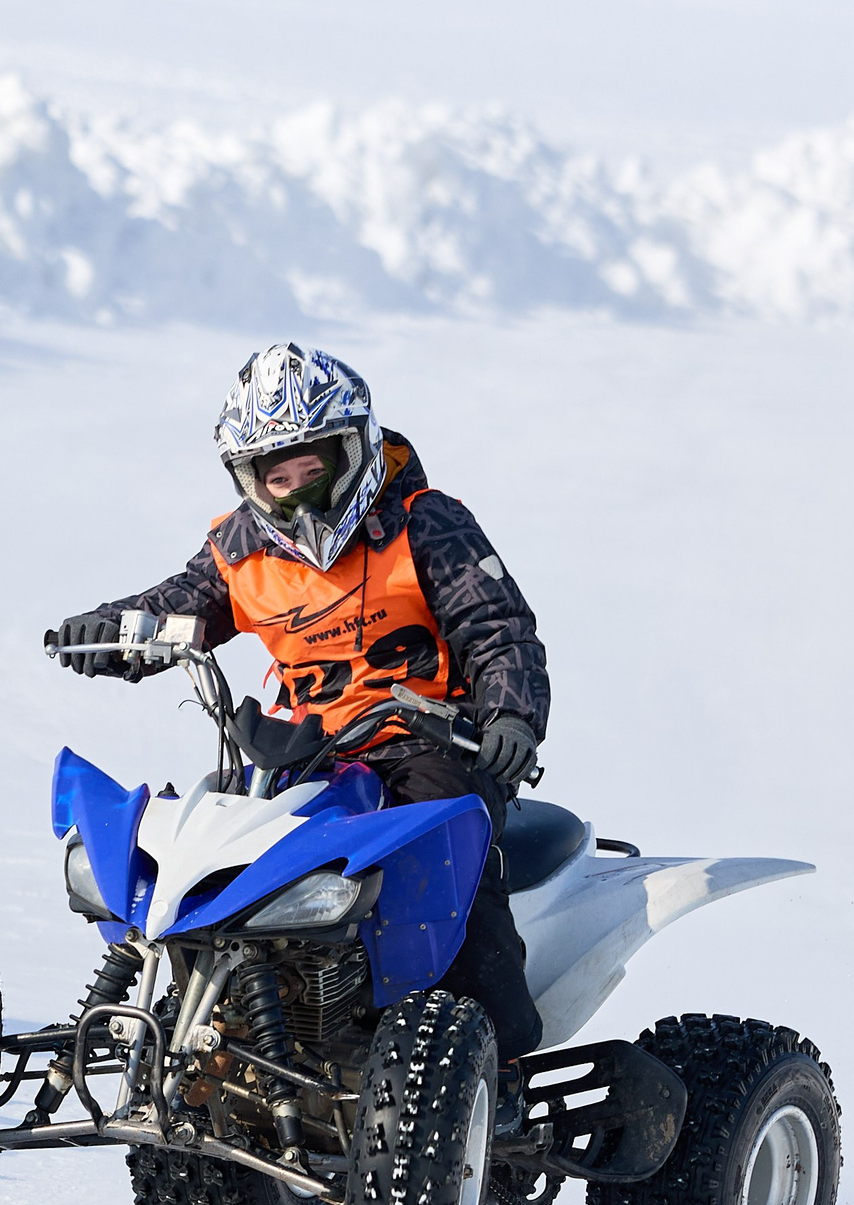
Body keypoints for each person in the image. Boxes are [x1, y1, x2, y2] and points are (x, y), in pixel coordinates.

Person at [49, 341, 548, 1065]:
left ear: (356, 452)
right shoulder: (240, 547)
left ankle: (494, 1046)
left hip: (431, 742)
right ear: (251, 482)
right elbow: (176, 611)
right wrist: (109, 633)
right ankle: (210, 1024)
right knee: (212, 833)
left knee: (440, 830)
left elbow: (495, 626)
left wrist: (510, 716)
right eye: (277, 477)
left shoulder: (425, 522)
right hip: (308, 751)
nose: (298, 491)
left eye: (314, 470)